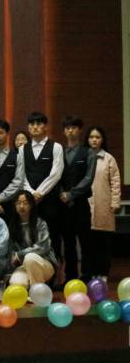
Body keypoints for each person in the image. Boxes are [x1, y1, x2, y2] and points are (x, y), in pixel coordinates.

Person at [17, 112, 64, 283]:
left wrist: (40, 192)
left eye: (39, 124)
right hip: (30, 202)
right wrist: (31, 194)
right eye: (32, 124)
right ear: (28, 127)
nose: (35, 127)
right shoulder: (22, 149)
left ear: (45, 126)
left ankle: (55, 276)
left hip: (50, 200)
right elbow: (21, 174)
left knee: (53, 236)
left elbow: (56, 173)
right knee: (31, 236)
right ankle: (33, 275)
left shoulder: (56, 147)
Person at [59, 115, 96, 281]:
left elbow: (88, 179)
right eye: (67, 128)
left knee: (85, 241)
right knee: (68, 243)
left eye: (73, 127)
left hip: (81, 204)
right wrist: (62, 193)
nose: (70, 131)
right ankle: (70, 277)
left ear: (80, 130)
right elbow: (55, 176)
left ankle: (87, 276)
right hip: (63, 205)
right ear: (63, 131)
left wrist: (71, 194)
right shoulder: (59, 152)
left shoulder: (88, 152)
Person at [86, 126, 121, 281]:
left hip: (104, 205)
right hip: (86, 206)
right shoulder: (84, 156)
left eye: (97, 137)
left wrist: (115, 202)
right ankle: (92, 272)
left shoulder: (109, 159)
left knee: (104, 243)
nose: (94, 140)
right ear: (87, 139)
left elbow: (115, 182)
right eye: (91, 137)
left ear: (102, 140)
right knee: (89, 243)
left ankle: (103, 273)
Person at [6, 191, 57, 289]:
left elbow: (43, 247)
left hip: (45, 263)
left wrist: (20, 254)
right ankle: (35, 285)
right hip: (24, 265)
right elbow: (11, 252)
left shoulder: (40, 223)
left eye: (25, 203)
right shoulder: (12, 226)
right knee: (16, 284)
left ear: (31, 205)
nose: (22, 206)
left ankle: (37, 292)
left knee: (29, 258)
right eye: (18, 203)